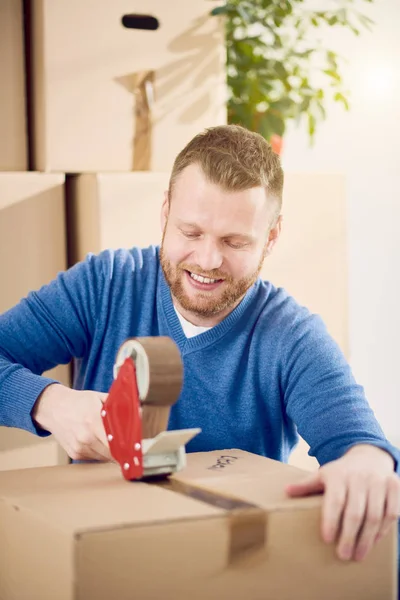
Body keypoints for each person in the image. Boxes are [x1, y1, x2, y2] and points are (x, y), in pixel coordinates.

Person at [0, 125, 399, 569]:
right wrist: (49, 404)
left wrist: (369, 464)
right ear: (165, 210)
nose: (208, 260)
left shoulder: (291, 335)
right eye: (191, 232)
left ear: (270, 238)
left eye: (234, 242)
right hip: (99, 561)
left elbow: (359, 443)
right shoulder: (105, 284)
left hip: (229, 571)